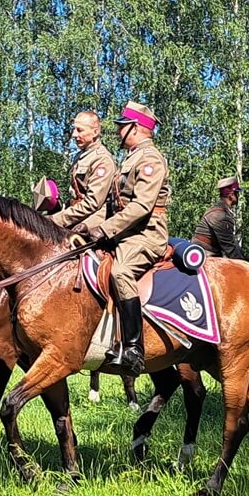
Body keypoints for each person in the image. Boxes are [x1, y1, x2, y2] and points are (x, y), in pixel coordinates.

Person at [76, 101, 171, 374]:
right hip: (125, 234)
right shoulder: (131, 158)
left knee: (120, 272)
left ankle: (133, 349)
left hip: (146, 234)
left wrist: (105, 229)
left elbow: (141, 207)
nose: (117, 133)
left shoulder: (151, 160)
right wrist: (91, 227)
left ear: (135, 128)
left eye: (121, 127)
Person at [47, 110, 116, 232]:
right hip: (76, 216)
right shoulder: (80, 156)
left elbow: (93, 204)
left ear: (95, 132)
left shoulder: (102, 159)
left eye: (80, 130)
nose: (74, 134)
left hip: (92, 222)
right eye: (74, 129)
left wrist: (56, 220)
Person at [192, 176, 242, 257]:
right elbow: (230, 248)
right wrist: (248, 265)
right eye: (237, 193)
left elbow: (233, 244)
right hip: (206, 255)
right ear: (231, 195)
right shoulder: (220, 215)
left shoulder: (217, 210)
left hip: (206, 253)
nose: (238, 196)